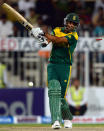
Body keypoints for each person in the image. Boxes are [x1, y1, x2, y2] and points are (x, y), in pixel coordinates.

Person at [31, 12, 80, 129]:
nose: (70, 25)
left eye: (73, 23)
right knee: (53, 90)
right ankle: (55, 121)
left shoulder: (74, 36)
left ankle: (67, 118)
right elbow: (47, 41)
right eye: (69, 22)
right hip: (53, 65)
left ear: (76, 26)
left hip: (65, 67)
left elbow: (58, 41)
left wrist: (44, 33)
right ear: (65, 22)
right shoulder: (57, 29)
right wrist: (41, 39)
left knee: (61, 96)